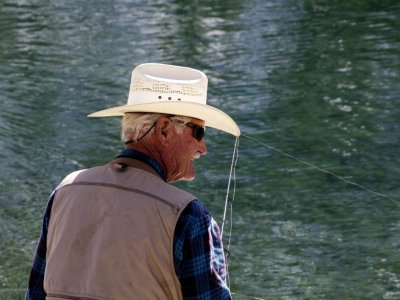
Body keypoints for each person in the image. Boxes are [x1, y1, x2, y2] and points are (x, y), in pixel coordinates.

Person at [25, 63, 240, 300]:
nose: (203, 147)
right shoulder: (189, 216)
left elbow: (35, 294)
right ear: (165, 129)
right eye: (199, 132)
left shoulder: (63, 192)